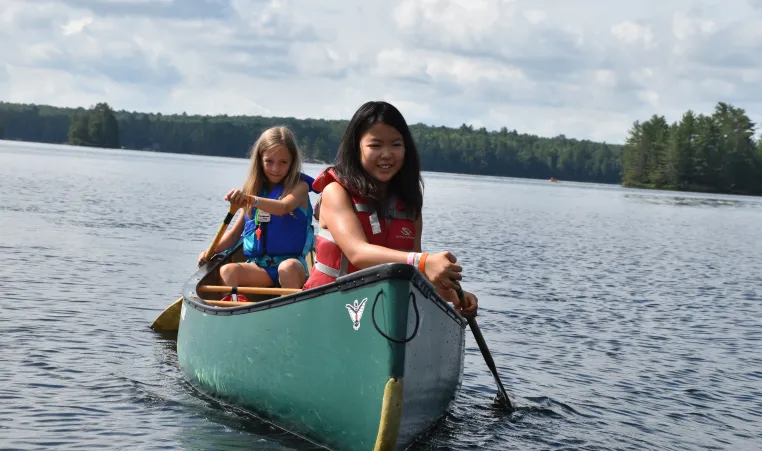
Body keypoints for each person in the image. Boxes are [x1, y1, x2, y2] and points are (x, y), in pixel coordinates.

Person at [302, 101, 478, 316]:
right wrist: (423, 261)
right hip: (327, 306)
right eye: (375, 146)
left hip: (378, 310)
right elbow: (357, 252)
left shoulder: (410, 201)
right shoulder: (335, 192)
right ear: (356, 148)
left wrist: (453, 295)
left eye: (396, 145)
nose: (386, 154)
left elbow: (415, 274)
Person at [198, 126, 315, 292]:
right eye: (269, 161)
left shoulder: (300, 187)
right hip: (260, 268)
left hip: (292, 266)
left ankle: (291, 310)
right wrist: (210, 251)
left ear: (292, 162)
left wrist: (251, 199)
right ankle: (235, 305)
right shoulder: (253, 189)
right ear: (260, 160)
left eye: (283, 162)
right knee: (228, 270)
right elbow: (234, 235)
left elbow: (283, 207)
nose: (275, 168)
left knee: (287, 267)